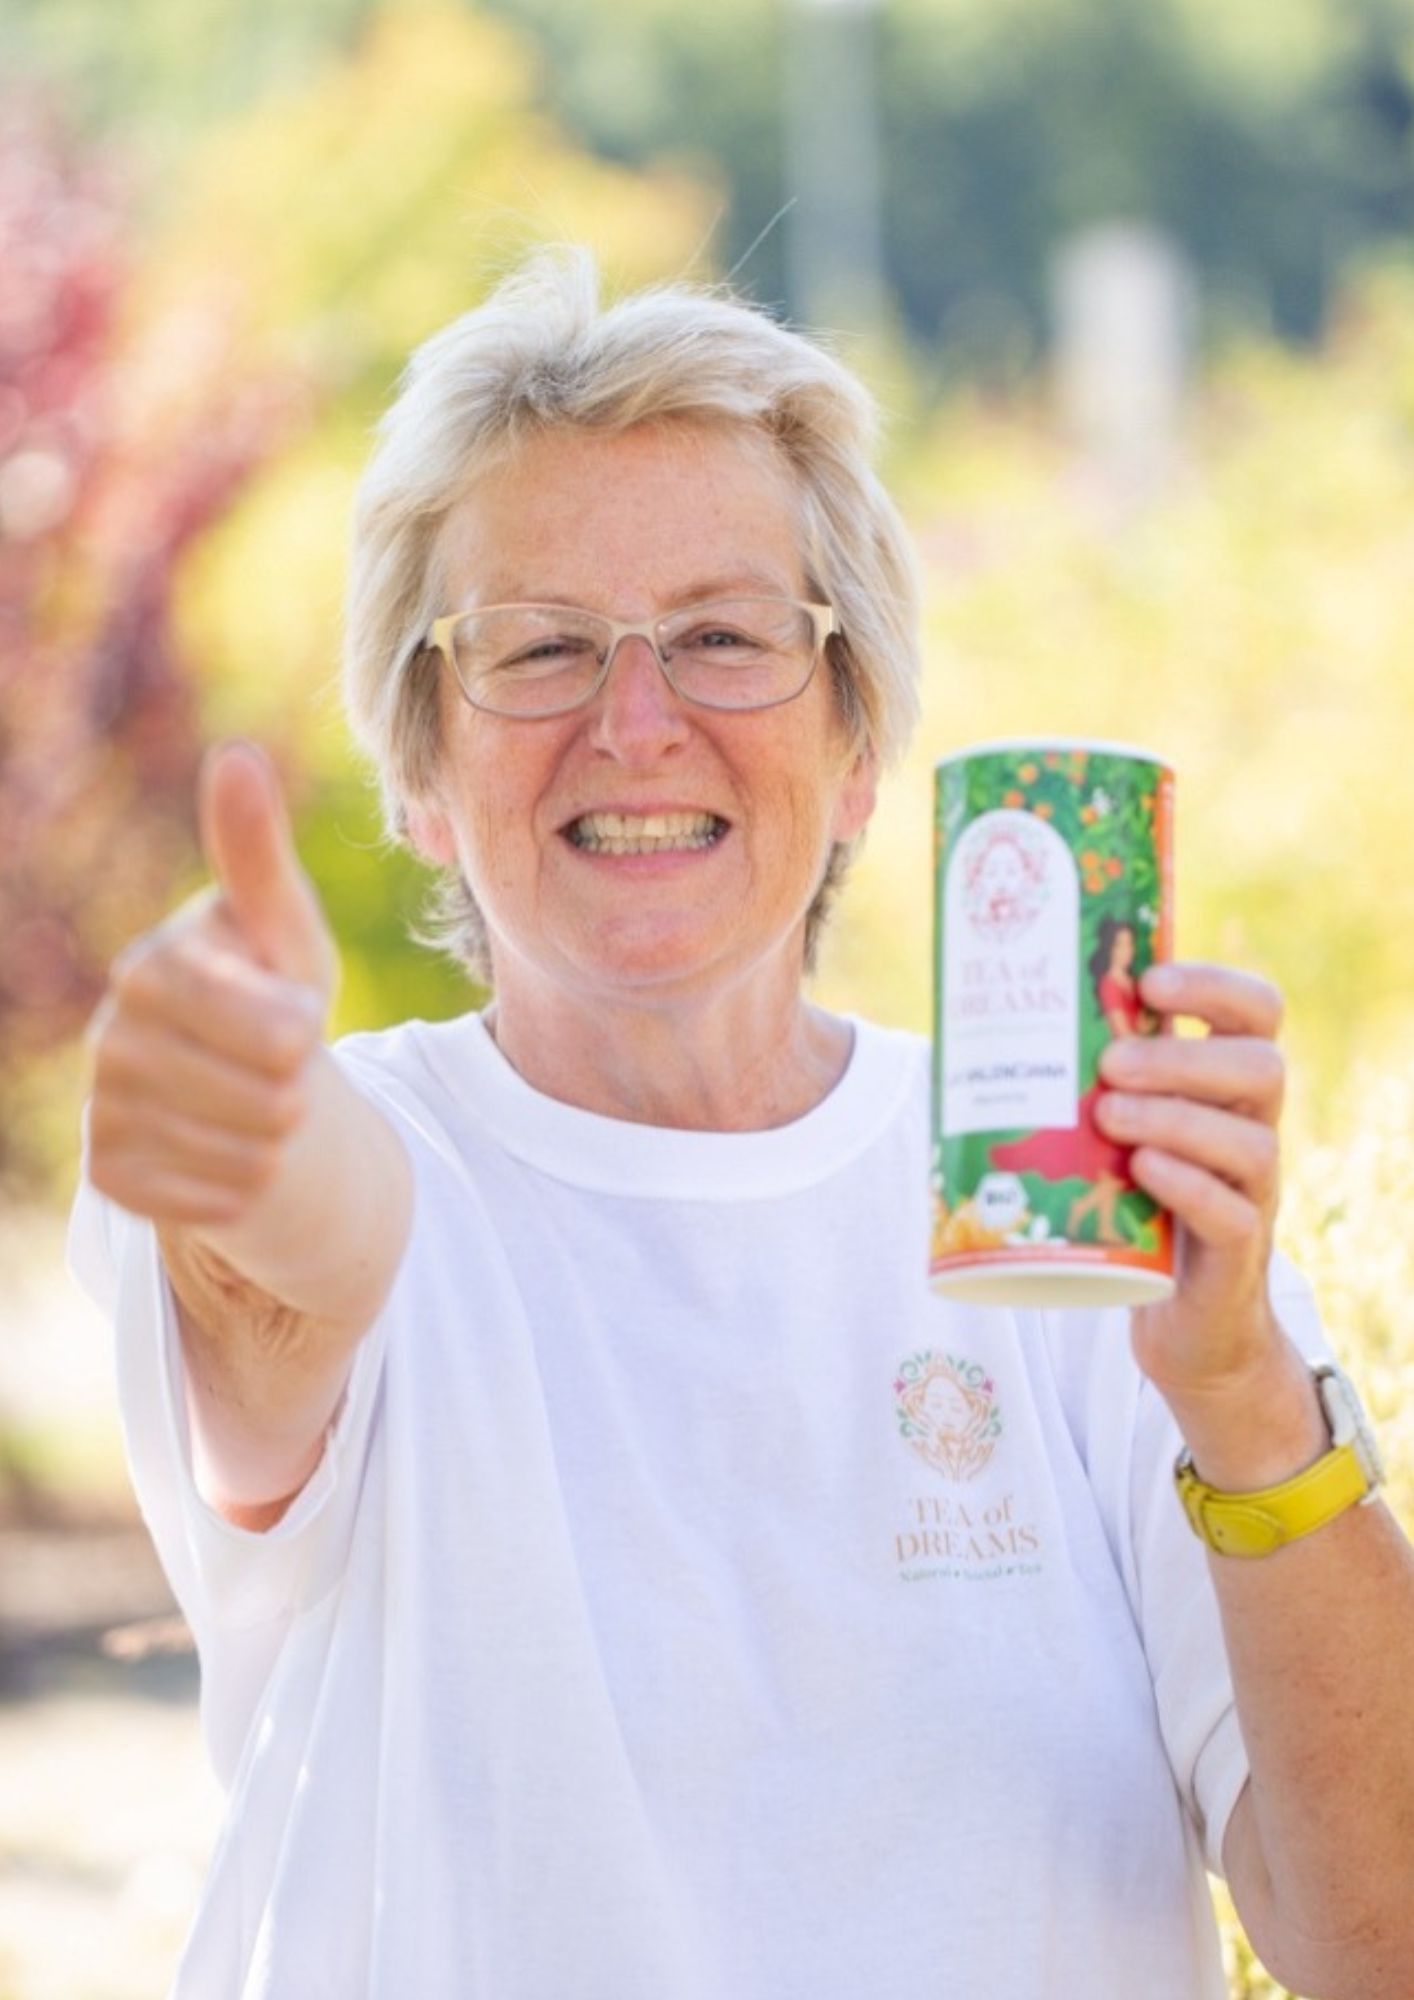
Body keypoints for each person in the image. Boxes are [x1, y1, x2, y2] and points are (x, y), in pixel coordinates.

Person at [70, 248, 1414, 2000]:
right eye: (538, 648)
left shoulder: (1064, 1213)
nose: (636, 726)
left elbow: (1376, 1946)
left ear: (858, 743)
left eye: (723, 636)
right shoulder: (354, 1149)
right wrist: (232, 1121)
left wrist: (1237, 1394)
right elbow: (298, 1262)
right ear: (419, 768)